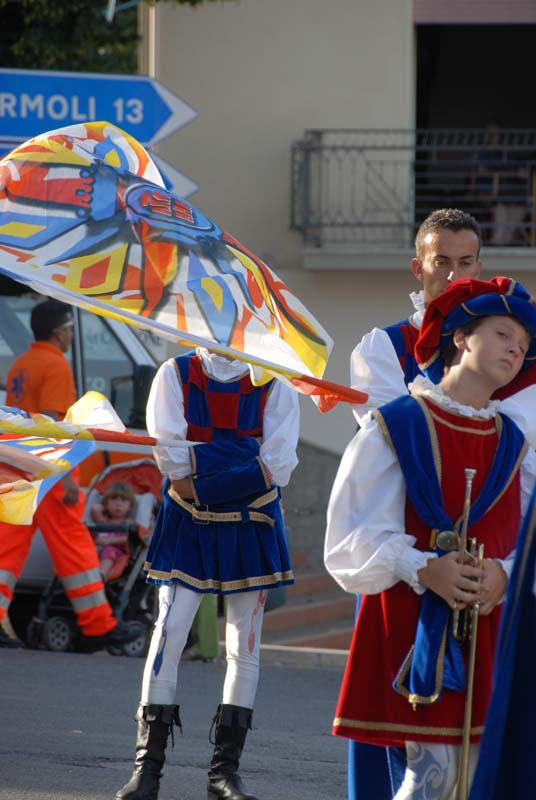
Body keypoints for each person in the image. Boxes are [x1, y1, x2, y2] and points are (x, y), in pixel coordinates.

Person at [325, 276, 536, 800]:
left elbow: (522, 538)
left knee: (472, 783)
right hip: (414, 623)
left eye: (524, 345)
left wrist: (503, 575)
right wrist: (423, 567)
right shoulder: (397, 424)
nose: (515, 347)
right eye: (504, 333)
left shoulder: (515, 442)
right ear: (461, 338)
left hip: (488, 625)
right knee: (431, 782)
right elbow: (350, 537)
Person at [115, 346, 299, 800]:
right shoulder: (174, 373)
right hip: (191, 521)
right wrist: (244, 454)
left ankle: (224, 775)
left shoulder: (275, 381)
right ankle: (147, 771)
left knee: (245, 647)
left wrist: (199, 475)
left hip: (249, 521)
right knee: (169, 632)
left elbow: (278, 466)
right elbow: (172, 462)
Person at [0, 299, 137, 650]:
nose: (72, 336)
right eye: (71, 330)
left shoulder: (20, 365)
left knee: (6, 550)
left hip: (16, 467)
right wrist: (63, 478)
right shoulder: (56, 364)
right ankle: (98, 626)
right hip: (48, 470)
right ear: (60, 331)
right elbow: (53, 425)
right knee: (75, 548)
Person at [90, 481, 136, 580]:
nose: (118, 504)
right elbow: (95, 509)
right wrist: (104, 506)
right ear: (106, 503)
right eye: (114, 499)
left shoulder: (128, 523)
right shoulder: (103, 520)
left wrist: (109, 541)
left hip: (115, 551)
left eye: (123, 500)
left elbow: (129, 539)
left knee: (109, 551)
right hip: (96, 549)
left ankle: (101, 574)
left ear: (130, 506)